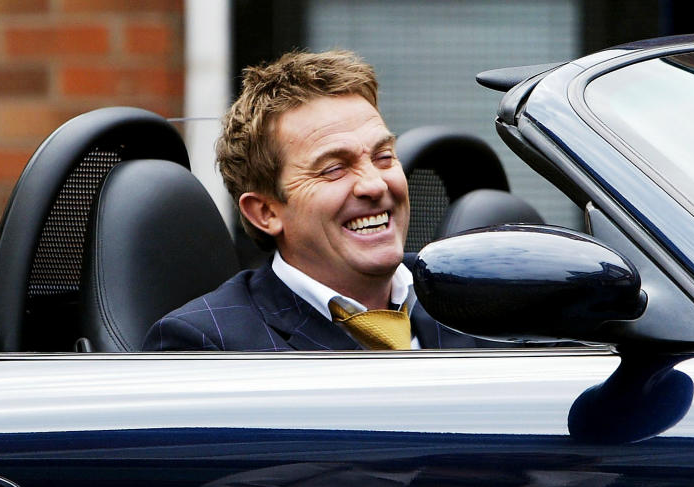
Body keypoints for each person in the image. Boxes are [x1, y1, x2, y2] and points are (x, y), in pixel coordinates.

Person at [142, 50, 478, 351]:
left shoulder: (471, 294)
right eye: (334, 168)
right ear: (265, 212)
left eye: (384, 156)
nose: (374, 185)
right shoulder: (210, 345)